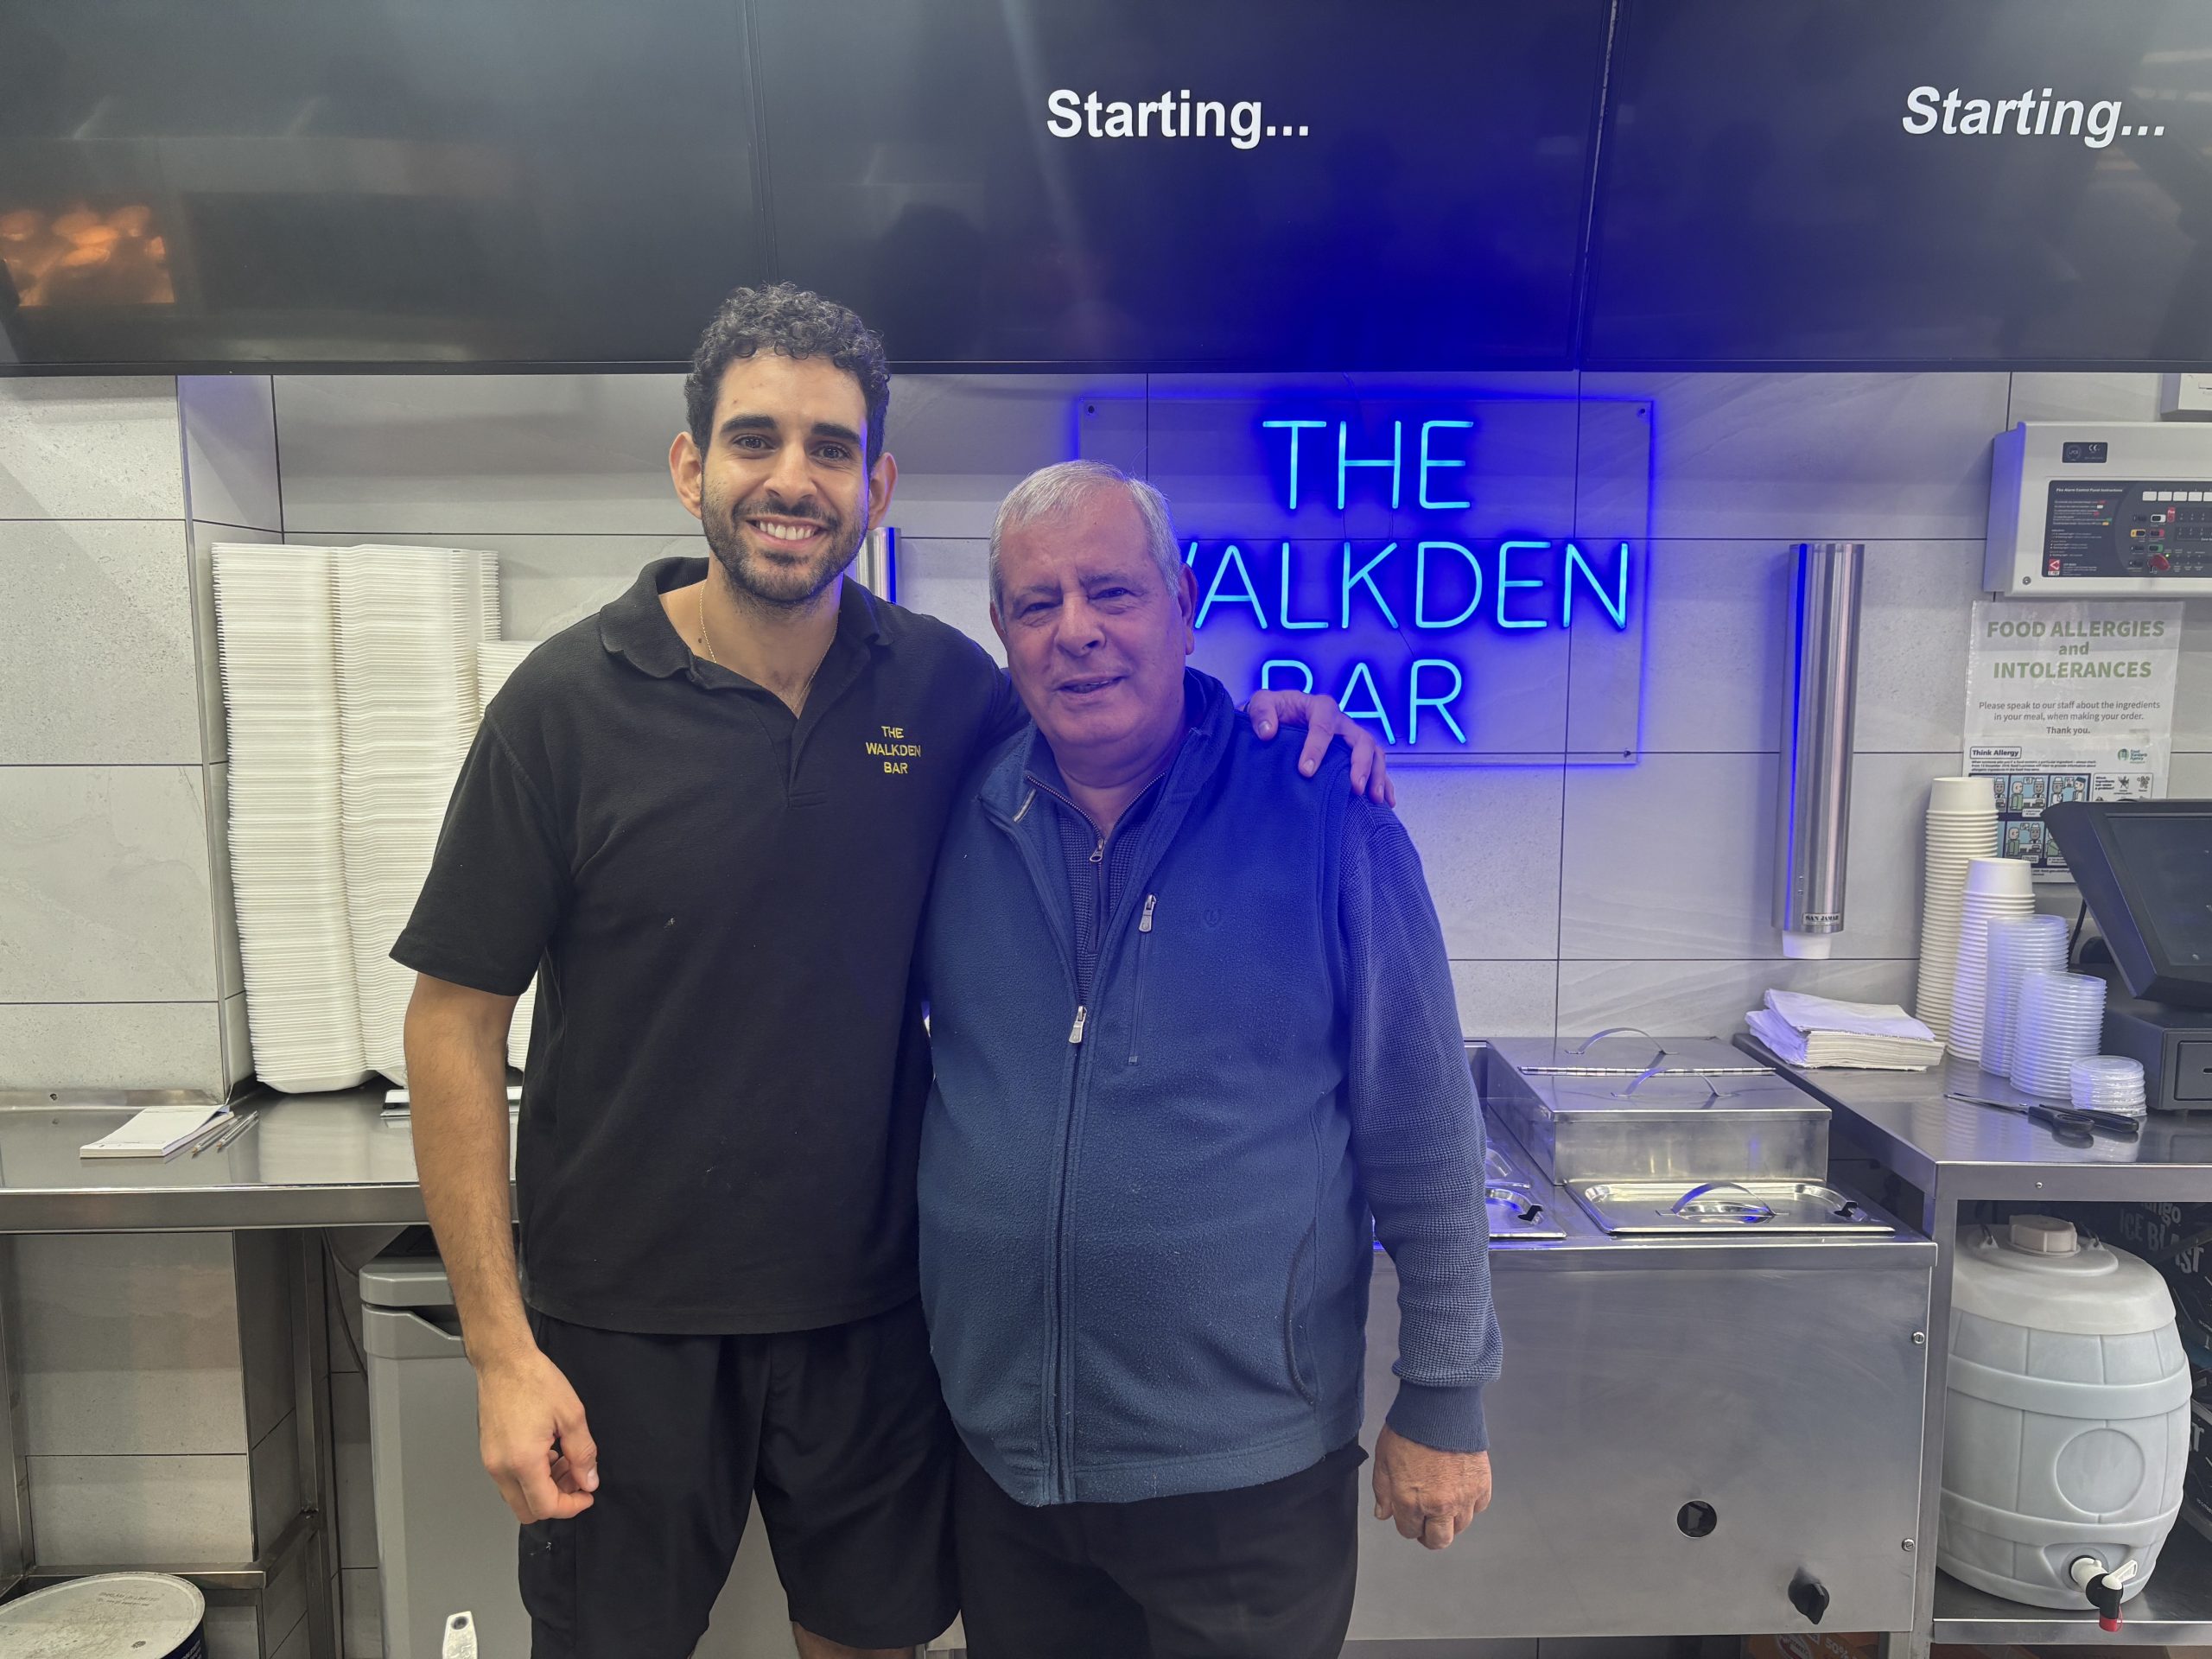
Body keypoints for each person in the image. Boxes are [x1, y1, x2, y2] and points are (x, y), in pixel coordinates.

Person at [393, 285, 1390, 1659]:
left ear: (877, 484)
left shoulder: (946, 694)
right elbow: (451, 1022)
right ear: (692, 468)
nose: (789, 479)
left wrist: (1271, 718)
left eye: (827, 447)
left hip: (875, 1324)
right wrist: (502, 1351)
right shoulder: (564, 708)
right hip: (621, 1328)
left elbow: (1111, 727)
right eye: (754, 440)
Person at [918, 461, 1501, 1659]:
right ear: (1003, 633)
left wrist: (1443, 1392)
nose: (1075, 630)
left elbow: (1425, 1122)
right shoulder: (961, 819)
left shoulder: (1322, 811)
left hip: (1244, 1482)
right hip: (1011, 1474)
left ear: (1184, 602)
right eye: (1038, 604)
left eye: (1112, 592)